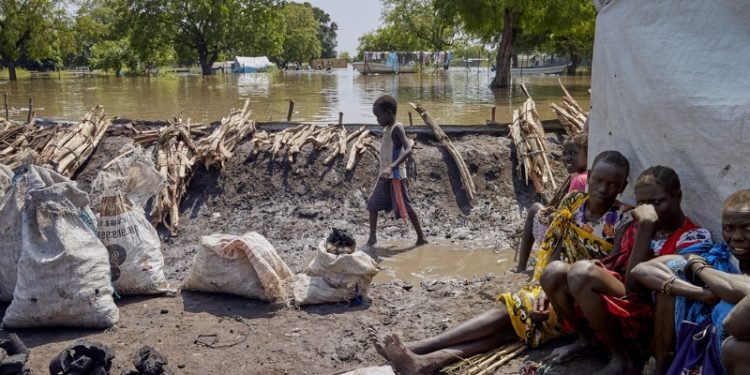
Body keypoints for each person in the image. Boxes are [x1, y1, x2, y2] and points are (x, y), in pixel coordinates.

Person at [369, 151, 631, 375]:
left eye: (612, 184)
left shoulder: (621, 220)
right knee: (509, 327)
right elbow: (554, 246)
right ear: (589, 175)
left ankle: (419, 347)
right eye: (597, 179)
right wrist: (542, 287)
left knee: (509, 312)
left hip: (577, 300)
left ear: (622, 186)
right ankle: (424, 361)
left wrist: (552, 292)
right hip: (551, 285)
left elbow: (609, 270)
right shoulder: (573, 202)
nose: (602, 188)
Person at [540, 166, 711, 374]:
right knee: (553, 272)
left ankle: (622, 359)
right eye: (642, 203)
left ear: (678, 197)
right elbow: (616, 261)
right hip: (624, 296)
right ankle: (586, 339)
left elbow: (634, 285)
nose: (649, 210)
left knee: (581, 273)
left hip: (651, 310)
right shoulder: (633, 224)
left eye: (657, 202)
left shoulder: (692, 237)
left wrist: (647, 227)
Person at [631, 189, 750, 374]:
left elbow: (743, 291)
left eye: (747, 228)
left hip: (731, 353)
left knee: (725, 307)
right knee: (671, 284)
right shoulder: (718, 256)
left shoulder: (706, 263)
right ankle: (663, 366)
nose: (737, 237)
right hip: (703, 342)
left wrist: (701, 269)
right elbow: (641, 270)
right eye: (729, 228)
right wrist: (700, 294)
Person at [516, 133, 589, 272]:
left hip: (567, 243)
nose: (567, 158)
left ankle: (521, 268)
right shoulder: (589, 175)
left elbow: (568, 217)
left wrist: (551, 217)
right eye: (565, 153)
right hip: (579, 240)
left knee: (534, 209)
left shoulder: (579, 179)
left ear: (588, 155)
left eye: (573, 153)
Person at [366, 95, 427, 247]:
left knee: (406, 206)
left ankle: (421, 237)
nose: (377, 120)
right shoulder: (388, 129)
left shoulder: (397, 128)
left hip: (396, 177)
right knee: (372, 204)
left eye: (378, 116)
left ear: (388, 113)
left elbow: (408, 150)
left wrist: (392, 166)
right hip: (385, 176)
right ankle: (372, 238)